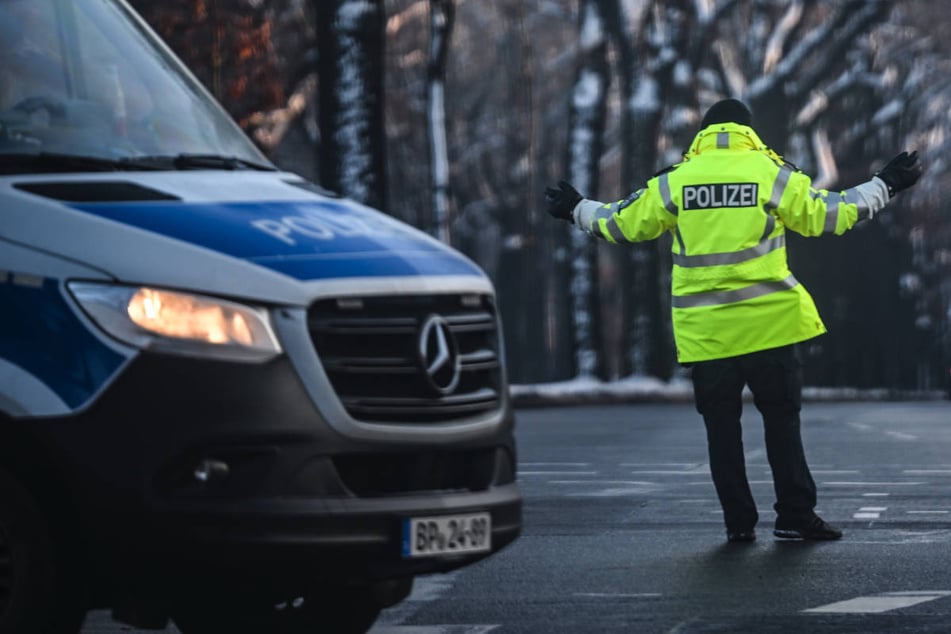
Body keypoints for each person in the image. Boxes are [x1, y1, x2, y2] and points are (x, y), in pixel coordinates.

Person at [544, 98, 923, 543]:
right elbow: (830, 214)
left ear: (703, 134)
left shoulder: (676, 181)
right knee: (782, 424)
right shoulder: (771, 174)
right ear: (749, 131)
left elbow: (623, 223)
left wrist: (576, 209)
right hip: (770, 326)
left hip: (706, 334)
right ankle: (795, 516)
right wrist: (886, 184)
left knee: (722, 432)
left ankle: (739, 524)